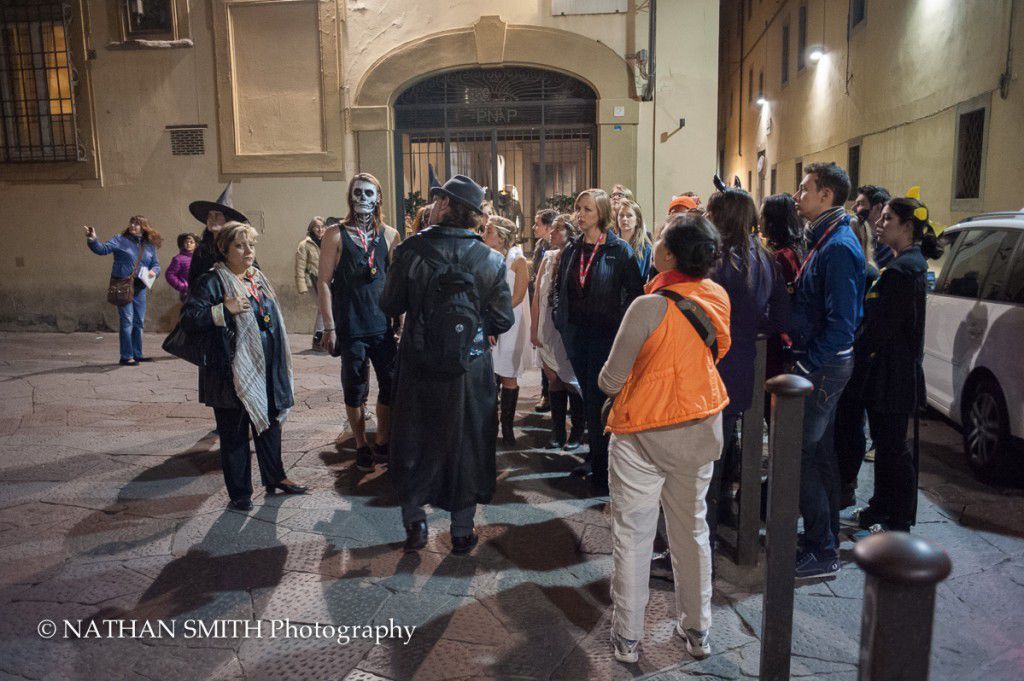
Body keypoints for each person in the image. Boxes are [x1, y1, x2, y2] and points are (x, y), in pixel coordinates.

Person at [601, 212, 732, 663]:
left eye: (660, 239)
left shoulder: (648, 306)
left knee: (634, 536)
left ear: (671, 255)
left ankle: (629, 638)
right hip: (699, 429)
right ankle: (697, 630)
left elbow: (610, 380)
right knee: (693, 531)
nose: (654, 244)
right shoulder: (716, 296)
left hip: (642, 434)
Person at [382, 175, 514, 556]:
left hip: (419, 362)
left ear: (443, 206)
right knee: (467, 441)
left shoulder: (409, 251)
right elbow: (503, 319)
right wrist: (470, 328)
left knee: (414, 439)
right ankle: (461, 531)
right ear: (474, 216)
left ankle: (415, 523)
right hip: (469, 369)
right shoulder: (491, 259)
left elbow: (389, 305)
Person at [182, 221, 307, 511]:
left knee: (271, 423)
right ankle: (240, 493)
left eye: (251, 244)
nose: (248, 250)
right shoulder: (212, 281)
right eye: (240, 245)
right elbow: (189, 319)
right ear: (224, 249)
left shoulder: (257, 277)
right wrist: (223, 309)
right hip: (229, 372)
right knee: (234, 433)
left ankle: (276, 477)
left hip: (267, 366)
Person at [842, 193, 941, 533]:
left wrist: (857, 353)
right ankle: (881, 508)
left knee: (893, 448)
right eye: (880, 218)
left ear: (908, 227)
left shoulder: (902, 270)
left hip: (893, 375)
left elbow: (881, 329)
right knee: (886, 447)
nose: (879, 224)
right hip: (890, 372)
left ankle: (899, 519)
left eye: (887, 219)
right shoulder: (905, 264)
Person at [791, 162, 865, 579]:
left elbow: (841, 324)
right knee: (819, 456)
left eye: (805, 188)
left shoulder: (836, 245)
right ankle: (824, 538)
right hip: (824, 364)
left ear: (827, 196)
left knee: (802, 457)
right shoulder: (826, 239)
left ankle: (821, 549)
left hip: (823, 367)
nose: (798, 195)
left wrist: (804, 365)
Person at [704, 189, 790, 546]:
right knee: (727, 443)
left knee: (707, 458)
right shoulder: (764, 259)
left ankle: (703, 537)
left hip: (709, 368)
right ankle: (725, 511)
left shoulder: (712, 261)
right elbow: (782, 316)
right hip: (743, 367)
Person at [554, 188, 645, 494]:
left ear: (603, 214)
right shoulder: (572, 249)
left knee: (602, 401)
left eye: (587, 210)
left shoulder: (619, 251)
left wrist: (621, 329)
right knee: (589, 400)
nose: (579, 215)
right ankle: (595, 457)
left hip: (607, 338)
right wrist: (560, 321)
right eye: (578, 208)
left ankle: (606, 466)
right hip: (578, 335)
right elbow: (559, 290)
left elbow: (635, 297)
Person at [317, 174, 401, 471]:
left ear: (378, 197)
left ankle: (382, 439)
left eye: (369, 193)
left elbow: (395, 281)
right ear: (350, 197)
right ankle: (361, 443)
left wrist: (400, 319)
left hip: (382, 326)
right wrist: (329, 326)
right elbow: (324, 282)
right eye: (357, 193)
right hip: (351, 325)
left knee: (390, 384)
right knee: (354, 388)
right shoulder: (335, 234)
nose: (362, 198)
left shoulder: (390, 235)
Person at [532, 214, 585, 450]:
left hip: (568, 326)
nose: (551, 233)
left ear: (569, 232)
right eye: (551, 229)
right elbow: (537, 296)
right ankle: (557, 431)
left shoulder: (577, 256)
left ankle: (576, 432)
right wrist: (534, 329)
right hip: (547, 325)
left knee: (571, 380)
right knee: (553, 377)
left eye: (557, 229)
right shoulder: (548, 257)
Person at [83, 216, 162, 366]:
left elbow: (156, 265)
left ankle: (137, 354)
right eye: (131, 223)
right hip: (123, 286)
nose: (133, 226)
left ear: (144, 227)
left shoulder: (149, 245)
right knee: (127, 321)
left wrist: (154, 271)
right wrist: (93, 239)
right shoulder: (120, 239)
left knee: (138, 322)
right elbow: (102, 249)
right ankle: (126, 356)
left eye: (137, 224)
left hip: (140, 287)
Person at [483, 216, 533, 445]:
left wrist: (497, 314)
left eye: (488, 231)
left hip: (511, 322)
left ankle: (508, 427)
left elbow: (519, 295)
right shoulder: (488, 257)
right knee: (490, 374)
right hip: (491, 321)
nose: (484, 235)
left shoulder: (517, 259)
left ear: (501, 235)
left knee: (508, 373)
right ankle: (490, 425)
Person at [759, 193, 804, 380]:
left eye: (762, 215)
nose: (759, 220)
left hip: (778, 335)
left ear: (772, 220)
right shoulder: (790, 249)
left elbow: (783, 300)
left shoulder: (781, 256)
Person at [188, 183, 249, 288]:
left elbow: (252, 277)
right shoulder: (202, 251)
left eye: (217, 215)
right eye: (210, 215)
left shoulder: (241, 247)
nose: (212, 219)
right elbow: (193, 282)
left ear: (228, 220)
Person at [530, 208, 558, 413]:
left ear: (548, 227)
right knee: (542, 348)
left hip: (555, 304)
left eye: (537, 224)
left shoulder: (564, 246)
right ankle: (545, 393)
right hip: (541, 299)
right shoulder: (540, 246)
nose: (534, 227)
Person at [295, 217, 326, 350]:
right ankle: (317, 339)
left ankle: (323, 338)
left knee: (325, 308)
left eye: (322, 226)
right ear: (311, 228)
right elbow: (300, 266)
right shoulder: (305, 244)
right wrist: (301, 286)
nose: (320, 229)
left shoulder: (328, 242)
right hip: (313, 280)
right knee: (322, 309)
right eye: (316, 227)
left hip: (327, 280)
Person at [852, 185, 893, 268]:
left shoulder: (889, 247)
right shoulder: (855, 237)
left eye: (860, 204)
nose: (853, 208)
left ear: (878, 207)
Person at [616, 199, 653, 281]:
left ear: (637, 221)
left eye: (629, 215)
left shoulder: (646, 248)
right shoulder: (611, 244)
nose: (624, 219)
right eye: (621, 215)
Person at [165, 232, 197, 301]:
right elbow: (169, 274)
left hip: (200, 292)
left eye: (191, 242)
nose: (188, 244)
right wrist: (182, 286)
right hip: (187, 293)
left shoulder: (199, 258)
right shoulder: (178, 259)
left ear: (196, 245)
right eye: (186, 242)